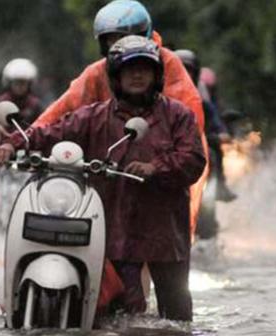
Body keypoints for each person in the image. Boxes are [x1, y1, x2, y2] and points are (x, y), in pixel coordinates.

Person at [0, 36, 206, 320]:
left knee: (177, 314)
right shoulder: (94, 116)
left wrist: (155, 167)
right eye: (129, 69)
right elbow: (53, 131)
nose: (137, 75)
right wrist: (14, 144)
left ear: (157, 75)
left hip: (165, 232)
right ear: (116, 76)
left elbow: (193, 159)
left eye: (144, 68)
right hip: (116, 231)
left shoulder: (178, 115)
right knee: (121, 315)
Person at [31, 0, 208, 238]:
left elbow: (190, 123)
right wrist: (19, 141)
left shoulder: (170, 71)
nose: (120, 47)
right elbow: (59, 114)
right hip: (110, 171)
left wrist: (155, 162)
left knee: (167, 245)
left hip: (162, 175)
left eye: (124, 38)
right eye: (111, 40)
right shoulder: (97, 74)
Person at [176, 49, 237, 201]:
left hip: (197, 143)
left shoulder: (201, 98)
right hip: (171, 147)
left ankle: (220, 186)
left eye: (188, 70)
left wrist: (222, 133)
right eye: (180, 69)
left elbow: (214, 117)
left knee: (213, 153)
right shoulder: (160, 96)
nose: (185, 74)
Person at [0, 58, 44, 125]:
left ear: (29, 84)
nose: (19, 86)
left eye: (23, 83)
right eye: (16, 83)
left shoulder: (36, 105)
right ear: (10, 83)